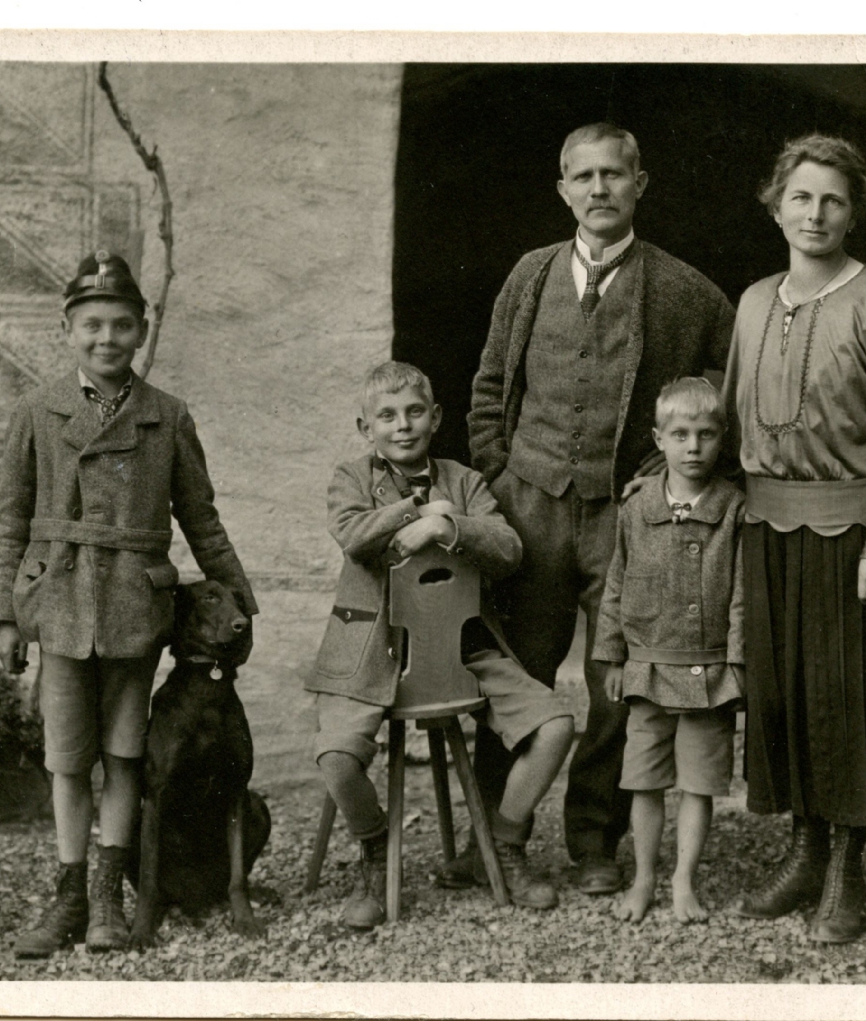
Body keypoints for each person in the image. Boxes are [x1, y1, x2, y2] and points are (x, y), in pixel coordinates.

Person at [461, 122, 736, 895]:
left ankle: (594, 841)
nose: (599, 189)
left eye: (614, 174)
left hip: (625, 520)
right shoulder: (530, 275)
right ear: (563, 189)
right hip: (530, 512)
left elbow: (729, 376)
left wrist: (661, 473)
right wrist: (499, 476)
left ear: (639, 184)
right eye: (583, 177)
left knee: (615, 681)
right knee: (514, 672)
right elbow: (488, 384)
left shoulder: (682, 288)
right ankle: (491, 834)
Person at [0, 251, 257, 957]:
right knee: (69, 761)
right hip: (61, 604)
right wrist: (4, 616)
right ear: (68, 328)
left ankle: (111, 894)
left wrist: (240, 593)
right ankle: (69, 895)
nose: (106, 338)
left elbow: (201, 518)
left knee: (126, 756)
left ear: (142, 330)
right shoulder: (36, 411)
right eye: (91, 325)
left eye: (120, 325)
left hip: (137, 612)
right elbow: (11, 520)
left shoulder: (167, 417)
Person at [722, 134, 866, 944]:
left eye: (834, 200)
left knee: (850, 703)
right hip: (768, 530)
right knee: (784, 700)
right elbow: (729, 418)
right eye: (801, 197)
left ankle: (849, 869)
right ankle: (804, 850)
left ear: (857, 211)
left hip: (854, 535)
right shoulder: (751, 302)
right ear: (775, 203)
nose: (815, 214)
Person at [307, 361, 576, 928]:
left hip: (461, 647)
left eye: (413, 412)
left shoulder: (464, 481)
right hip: (370, 651)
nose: (402, 426)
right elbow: (353, 535)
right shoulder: (350, 478)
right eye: (386, 416)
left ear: (436, 418)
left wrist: (447, 525)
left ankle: (500, 844)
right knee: (336, 757)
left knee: (554, 727)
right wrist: (414, 510)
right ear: (366, 428)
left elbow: (507, 548)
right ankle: (376, 851)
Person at [594, 377, 745, 924]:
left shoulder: (732, 509)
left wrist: (737, 663)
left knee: (699, 784)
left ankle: (685, 880)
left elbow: (742, 596)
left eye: (706, 435)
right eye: (679, 434)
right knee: (644, 780)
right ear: (658, 440)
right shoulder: (637, 509)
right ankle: (644, 878)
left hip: (707, 673)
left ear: (722, 438)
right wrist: (613, 656)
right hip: (648, 668)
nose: (693, 447)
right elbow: (617, 582)